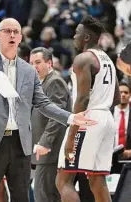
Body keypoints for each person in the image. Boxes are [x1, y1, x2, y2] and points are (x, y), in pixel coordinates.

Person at [0, 18, 96, 202]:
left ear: (20, 37)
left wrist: (71, 117)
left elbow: (44, 103)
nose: (12, 34)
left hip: (20, 143)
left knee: (21, 197)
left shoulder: (29, 71)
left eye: (16, 31)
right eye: (7, 31)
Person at [56, 15, 120, 202]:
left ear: (86, 37)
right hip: (106, 119)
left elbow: (82, 99)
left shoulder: (83, 59)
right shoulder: (107, 59)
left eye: (77, 33)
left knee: (63, 179)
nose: (74, 36)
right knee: (97, 179)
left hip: (88, 119)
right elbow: (116, 97)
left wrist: (71, 135)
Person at [29, 47, 71, 202]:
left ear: (49, 63)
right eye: (31, 63)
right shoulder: (40, 83)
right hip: (43, 151)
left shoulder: (54, 82)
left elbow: (57, 116)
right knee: (47, 195)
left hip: (50, 151)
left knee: (44, 196)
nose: (34, 67)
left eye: (38, 62)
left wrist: (44, 142)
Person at [111, 82, 131, 174]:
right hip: (109, 159)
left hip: (129, 160)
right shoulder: (107, 113)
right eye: (120, 92)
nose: (123, 95)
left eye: (126, 92)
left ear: (130, 95)